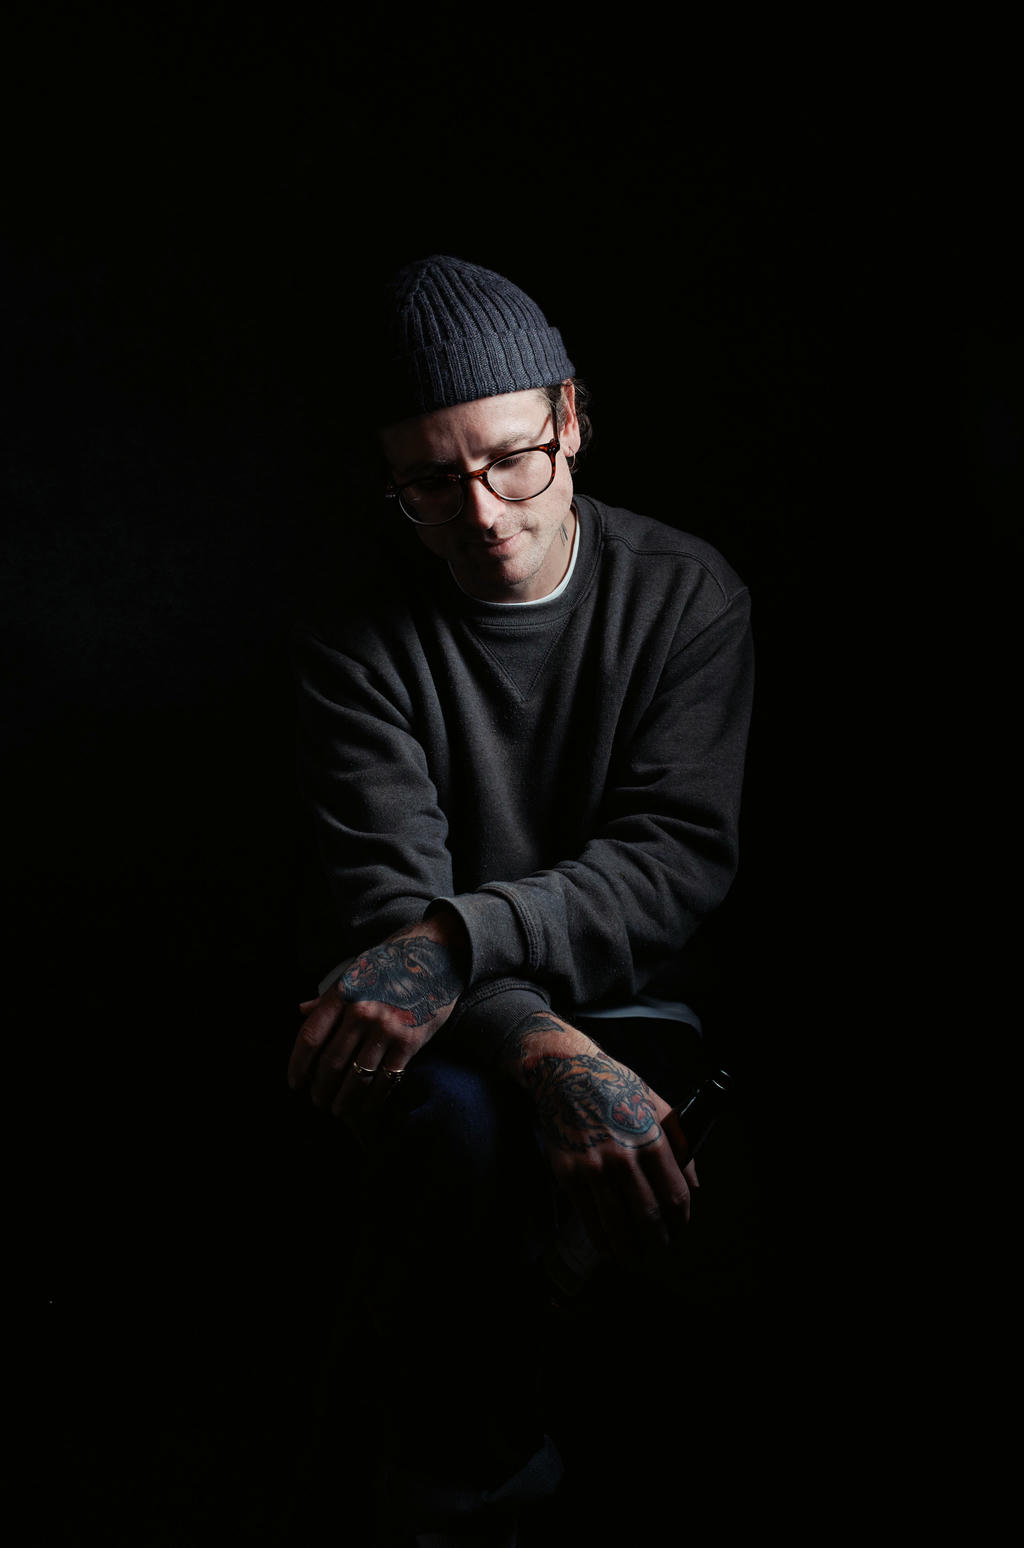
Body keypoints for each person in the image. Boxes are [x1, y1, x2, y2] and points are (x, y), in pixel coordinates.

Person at [287, 254, 754, 1546]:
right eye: (430, 482)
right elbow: (387, 897)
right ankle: (464, 1476)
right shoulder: (354, 637)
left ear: (570, 419)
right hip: (447, 1027)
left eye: (510, 460)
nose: (483, 514)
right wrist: (537, 1041)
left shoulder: (688, 593)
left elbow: (672, 862)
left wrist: (454, 939)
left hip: (631, 991)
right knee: (453, 1126)